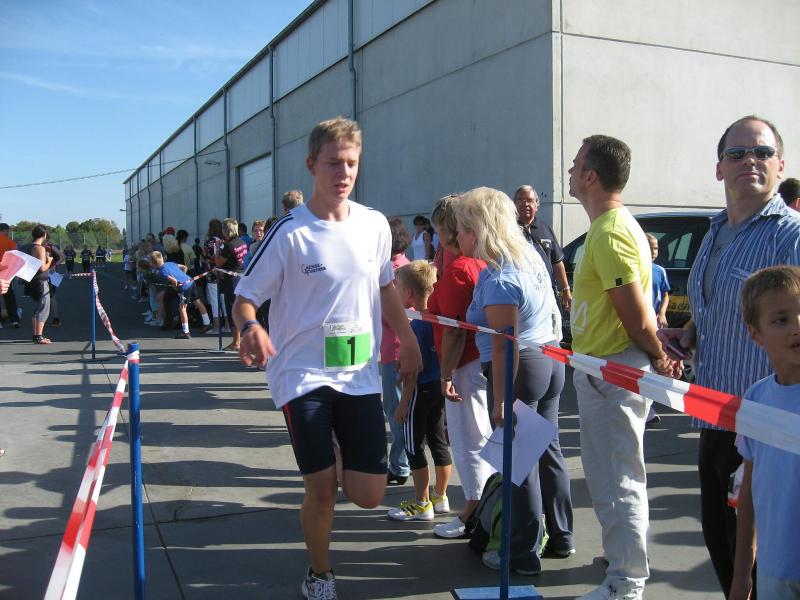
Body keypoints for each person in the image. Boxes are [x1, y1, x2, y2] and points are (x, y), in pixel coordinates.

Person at [232, 116, 422, 600]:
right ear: (311, 164)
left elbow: (386, 287)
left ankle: (335, 453)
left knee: (368, 494)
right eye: (334, 163)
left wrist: (408, 338)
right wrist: (251, 326)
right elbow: (245, 297)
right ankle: (320, 574)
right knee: (320, 489)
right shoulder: (289, 232)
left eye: (352, 163)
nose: (344, 173)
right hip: (303, 375)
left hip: (358, 373)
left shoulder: (374, 224)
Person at [658, 115, 800, 598]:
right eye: (737, 153)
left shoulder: (790, 236)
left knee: (764, 563)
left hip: (768, 428)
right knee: (723, 546)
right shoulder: (715, 231)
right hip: (715, 417)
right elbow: (724, 306)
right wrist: (690, 332)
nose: (750, 161)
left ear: (780, 165)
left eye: (762, 152)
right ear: (719, 168)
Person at [568, 135, 678, 600]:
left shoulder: (611, 231)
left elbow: (636, 315)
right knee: (609, 476)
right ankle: (622, 560)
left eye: (575, 164)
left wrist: (659, 356)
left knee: (618, 478)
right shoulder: (610, 227)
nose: (570, 171)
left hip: (613, 370)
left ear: (591, 176)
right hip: (604, 368)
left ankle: (627, 581)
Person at [457, 186, 569, 576]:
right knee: (548, 451)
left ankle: (522, 551)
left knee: (520, 464)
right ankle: (561, 535)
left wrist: (501, 399)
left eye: (462, 229)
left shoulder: (499, 277)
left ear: (477, 230)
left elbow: (505, 345)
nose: (457, 237)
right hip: (550, 357)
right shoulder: (528, 257)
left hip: (522, 369)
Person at [728, 266, 800, 600]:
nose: (797, 327)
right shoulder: (756, 400)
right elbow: (749, 494)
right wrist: (742, 576)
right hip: (775, 570)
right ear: (756, 335)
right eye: (781, 319)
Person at [426, 195, 494, 539]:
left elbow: (454, 331)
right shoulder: (479, 263)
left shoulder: (458, 270)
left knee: (469, 440)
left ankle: (474, 511)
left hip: (464, 366)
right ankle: (482, 507)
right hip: (477, 363)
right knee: (479, 436)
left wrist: (445, 375)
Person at [388, 260, 453, 521]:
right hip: (437, 389)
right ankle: (440, 496)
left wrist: (403, 403)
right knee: (438, 443)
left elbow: (411, 372)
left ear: (409, 293)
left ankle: (422, 503)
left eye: (398, 288)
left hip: (418, 392)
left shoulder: (415, 327)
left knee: (414, 447)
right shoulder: (438, 320)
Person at [381, 217, 412, 486]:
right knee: (398, 407)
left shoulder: (393, 272)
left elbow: (390, 314)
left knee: (396, 410)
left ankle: (401, 464)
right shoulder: (404, 265)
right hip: (397, 346)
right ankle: (404, 461)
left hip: (394, 348)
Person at [514, 185, 573, 311]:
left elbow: (557, 262)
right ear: (514, 204)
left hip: (547, 295)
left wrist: (566, 289)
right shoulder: (508, 230)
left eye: (530, 201)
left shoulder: (546, 229)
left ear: (537, 205)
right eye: (521, 200)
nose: (525, 204)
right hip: (520, 296)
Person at [149, 251, 212, 338]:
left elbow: (174, 281)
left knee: (182, 308)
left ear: (153, 263)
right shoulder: (170, 263)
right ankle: (207, 323)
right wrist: (183, 277)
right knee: (197, 301)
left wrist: (176, 288)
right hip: (191, 281)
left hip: (184, 287)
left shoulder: (162, 271)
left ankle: (185, 332)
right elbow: (184, 267)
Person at [215, 218, 246, 351]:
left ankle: (236, 341)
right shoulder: (241, 242)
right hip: (240, 276)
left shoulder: (229, 246)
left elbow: (218, 262)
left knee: (232, 309)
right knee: (238, 309)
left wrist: (217, 249)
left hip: (231, 280)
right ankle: (238, 340)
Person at [27, 224, 55, 344]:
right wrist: (50, 261)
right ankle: (39, 336)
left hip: (31, 280)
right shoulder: (40, 248)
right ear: (44, 234)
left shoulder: (28, 247)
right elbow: (42, 267)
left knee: (36, 308)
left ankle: (35, 335)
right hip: (40, 281)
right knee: (43, 308)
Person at [203, 219, 228, 335]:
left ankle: (216, 326)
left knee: (214, 300)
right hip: (224, 273)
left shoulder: (210, 242)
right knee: (223, 300)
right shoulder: (224, 241)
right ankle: (227, 325)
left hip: (212, 273)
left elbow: (207, 256)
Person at [0, 223, 20, 328]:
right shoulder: (9, 242)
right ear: (6, 231)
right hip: (6, 273)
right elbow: (16, 257)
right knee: (9, 296)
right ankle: (14, 320)